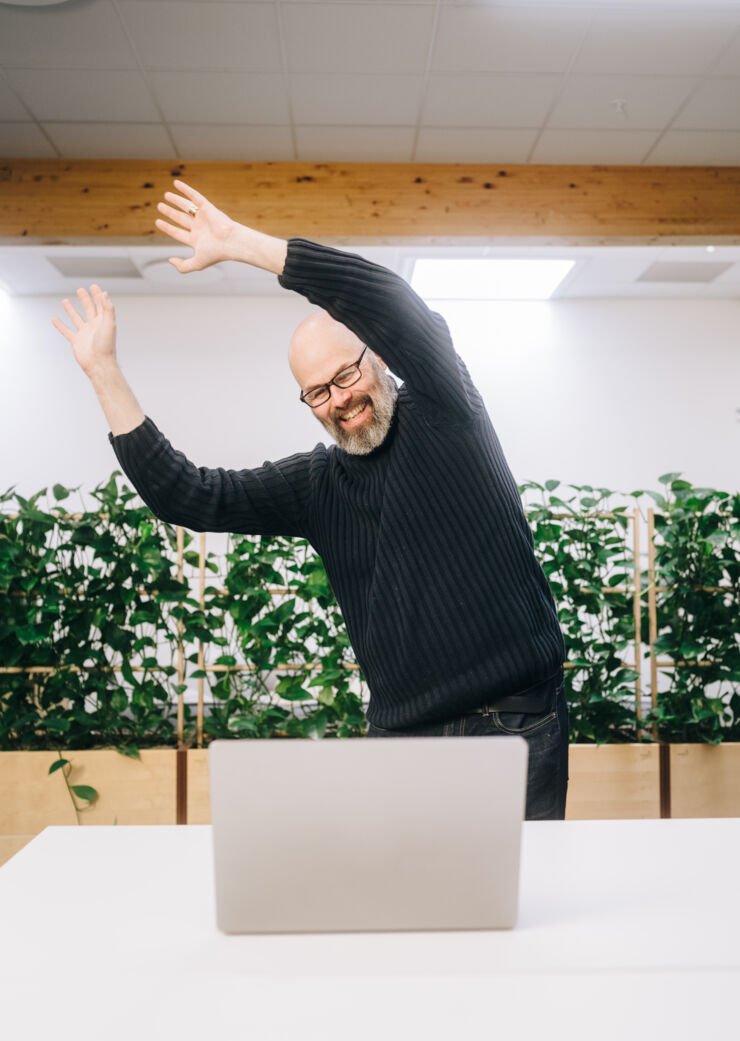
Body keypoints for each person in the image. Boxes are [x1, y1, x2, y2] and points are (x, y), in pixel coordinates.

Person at [53, 180, 569, 820]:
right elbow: (187, 495)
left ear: (377, 357)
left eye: (345, 375)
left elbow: (385, 298)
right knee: (402, 913)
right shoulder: (316, 485)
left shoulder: (445, 410)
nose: (340, 401)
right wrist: (103, 370)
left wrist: (242, 243)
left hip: (514, 724)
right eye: (317, 393)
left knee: (517, 909)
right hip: (402, 740)